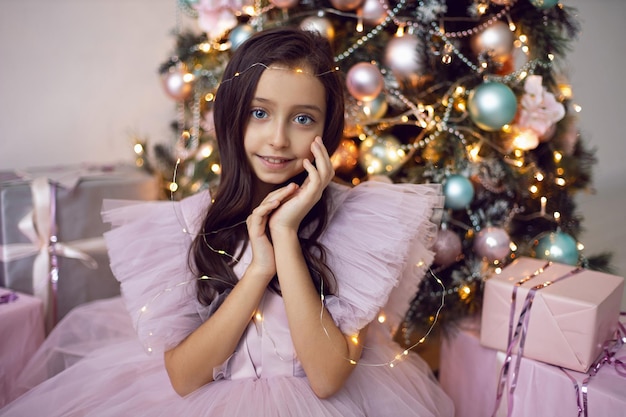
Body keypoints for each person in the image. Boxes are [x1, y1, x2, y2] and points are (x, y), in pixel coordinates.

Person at [1, 27, 454, 416]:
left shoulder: (355, 225)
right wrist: (258, 269)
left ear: (325, 131)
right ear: (232, 116)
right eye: (260, 112)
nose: (277, 139)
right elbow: (184, 377)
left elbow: (326, 378)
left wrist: (285, 235)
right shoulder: (185, 226)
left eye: (302, 118)